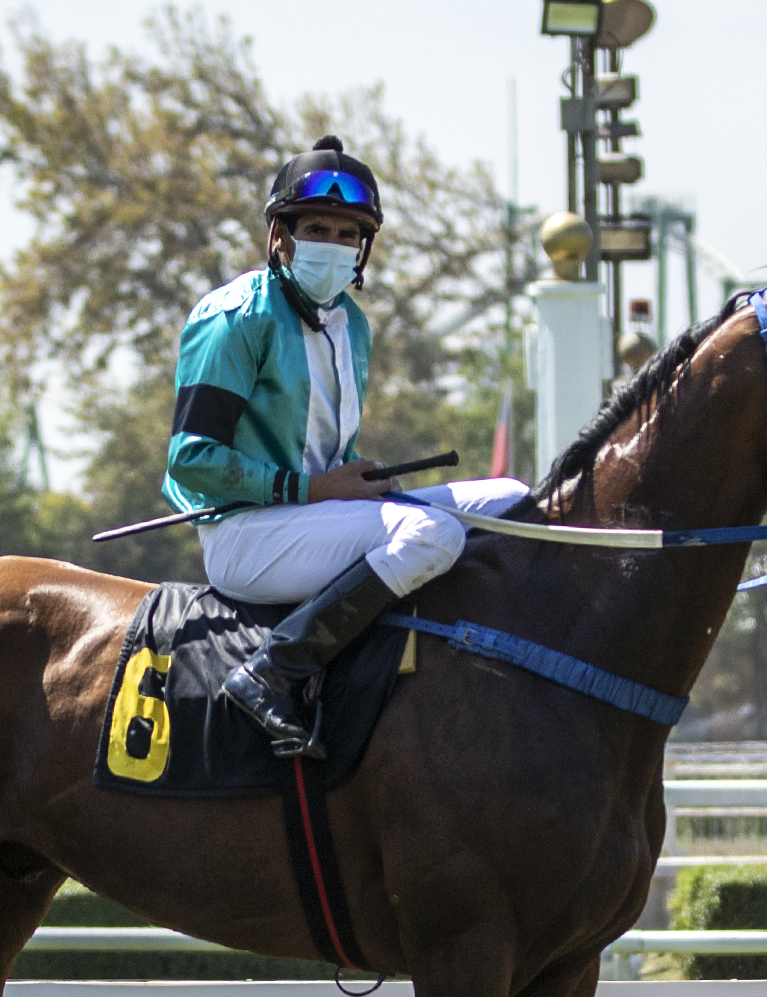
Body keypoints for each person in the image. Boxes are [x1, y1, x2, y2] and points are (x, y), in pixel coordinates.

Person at [164, 135, 529, 758]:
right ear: (281, 236)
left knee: (511, 499)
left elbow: (329, 462)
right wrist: (314, 489)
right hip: (244, 537)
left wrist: (358, 481)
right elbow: (190, 459)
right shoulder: (235, 317)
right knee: (432, 534)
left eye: (346, 234)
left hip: (314, 521)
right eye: (316, 229)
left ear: (363, 247)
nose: (331, 244)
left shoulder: (352, 324)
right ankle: (273, 670)